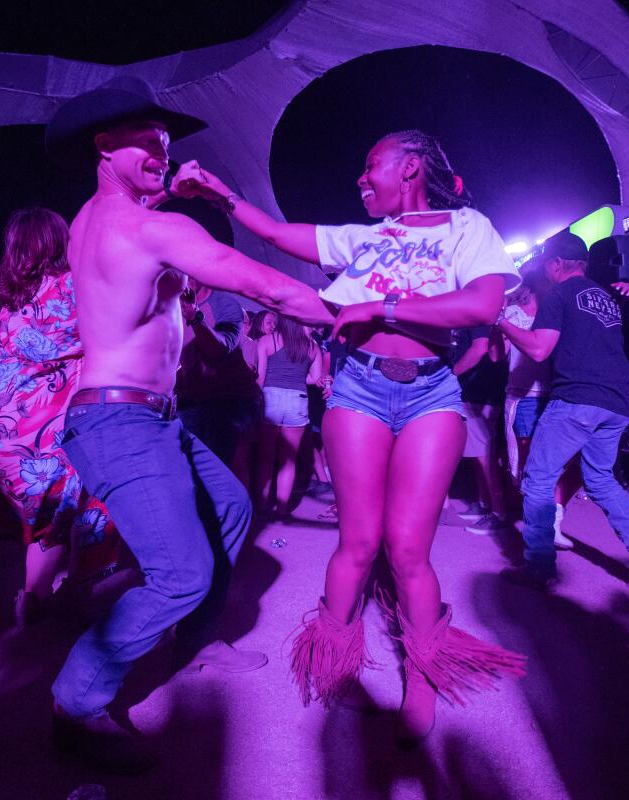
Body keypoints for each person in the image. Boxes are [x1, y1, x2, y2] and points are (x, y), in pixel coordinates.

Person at [192, 129, 527, 745]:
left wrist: (385, 310)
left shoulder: (465, 227)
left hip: (430, 392)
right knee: (359, 541)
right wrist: (221, 197)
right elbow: (274, 234)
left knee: (407, 549)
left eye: (370, 164)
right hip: (359, 391)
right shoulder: (364, 239)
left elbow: (482, 305)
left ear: (409, 169)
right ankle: (336, 659)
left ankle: (422, 674)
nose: (359, 177)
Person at [42, 79, 334, 773]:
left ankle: (196, 642)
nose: (161, 148)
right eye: (144, 137)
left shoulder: (91, 219)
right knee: (180, 574)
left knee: (230, 508)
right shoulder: (152, 228)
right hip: (118, 420)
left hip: (151, 417)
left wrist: (178, 192)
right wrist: (364, 316)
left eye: (165, 140)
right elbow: (263, 285)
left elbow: (132, 230)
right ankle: (75, 702)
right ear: (102, 144)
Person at [0, 209, 118, 626]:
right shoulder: (73, 287)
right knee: (63, 509)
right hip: (41, 425)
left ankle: (37, 596)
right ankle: (40, 599)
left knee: (46, 515)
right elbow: (103, 335)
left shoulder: (14, 298)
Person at [502, 231, 629, 592]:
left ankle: (538, 567)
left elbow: (538, 350)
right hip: (617, 402)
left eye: (546, 264)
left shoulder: (559, 293)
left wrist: (498, 321)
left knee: (539, 479)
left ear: (556, 264)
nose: (544, 271)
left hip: (577, 399)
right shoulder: (605, 296)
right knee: (601, 481)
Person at [496, 276, 582, 550]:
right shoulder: (512, 313)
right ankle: (541, 530)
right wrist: (498, 324)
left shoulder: (557, 310)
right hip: (525, 396)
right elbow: (497, 356)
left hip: (559, 394)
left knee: (574, 463)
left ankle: (553, 520)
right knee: (530, 467)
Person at [175, 278, 261, 487]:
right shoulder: (171, 306)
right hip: (191, 399)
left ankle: (241, 518)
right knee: (192, 469)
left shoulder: (224, 303)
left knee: (228, 467)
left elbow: (218, 349)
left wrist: (195, 318)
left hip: (227, 401)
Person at [254, 315, 322, 517]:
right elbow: (315, 378)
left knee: (265, 458)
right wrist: (298, 376)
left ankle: (262, 506)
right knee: (288, 460)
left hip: (271, 398)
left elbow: (260, 378)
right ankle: (282, 510)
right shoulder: (312, 347)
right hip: (297, 400)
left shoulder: (268, 340)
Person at [450, 323, 510, 535]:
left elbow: (486, 351)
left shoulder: (483, 319)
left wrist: (450, 375)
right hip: (473, 393)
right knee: (478, 455)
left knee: (485, 456)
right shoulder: (476, 319)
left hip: (481, 394)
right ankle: (484, 505)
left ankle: (499, 514)